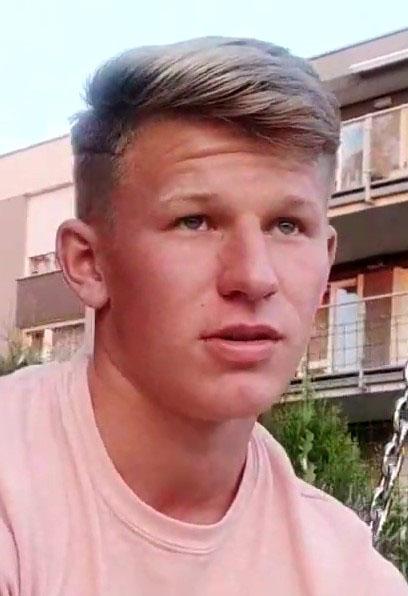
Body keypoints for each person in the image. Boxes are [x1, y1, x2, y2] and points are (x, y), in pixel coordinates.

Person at [0, 37, 406, 596]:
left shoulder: (345, 568)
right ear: (89, 262)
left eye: (287, 226)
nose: (255, 276)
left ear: (326, 262)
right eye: (195, 221)